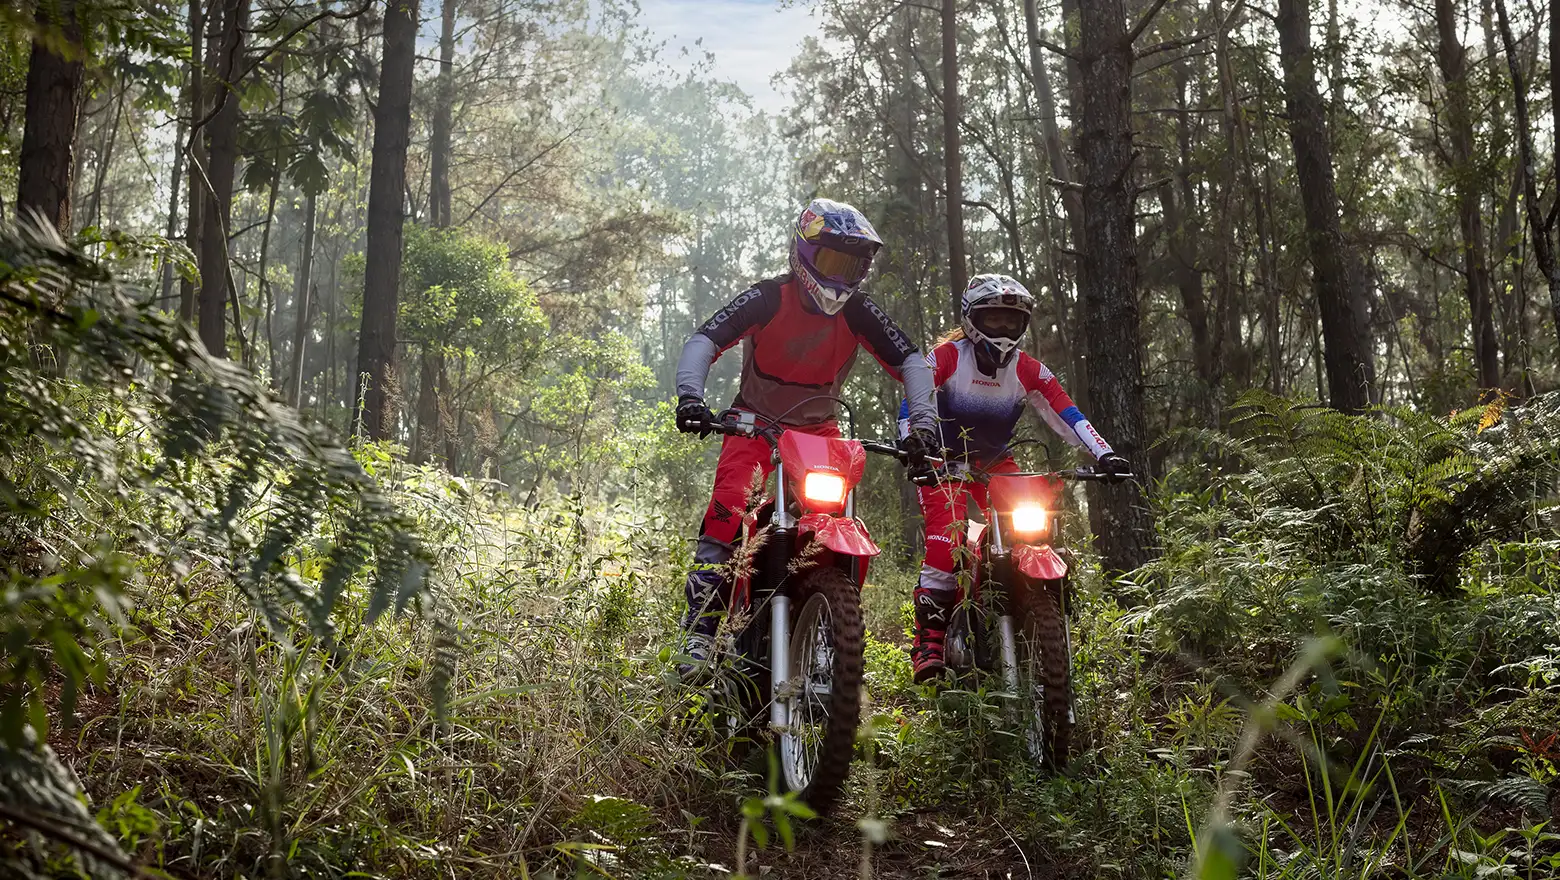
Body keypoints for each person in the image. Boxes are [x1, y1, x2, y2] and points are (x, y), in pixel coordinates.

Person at [672, 198, 940, 675]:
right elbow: (704, 340)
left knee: (834, 523)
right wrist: (691, 397)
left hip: (820, 436)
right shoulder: (769, 296)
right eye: (833, 260)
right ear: (804, 253)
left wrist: (923, 426)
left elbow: (913, 362)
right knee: (726, 517)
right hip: (753, 426)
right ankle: (698, 632)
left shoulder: (858, 311)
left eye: (853, 264)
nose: (841, 275)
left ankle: (828, 627)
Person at [902, 273, 1130, 684]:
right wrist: (914, 442)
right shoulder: (948, 358)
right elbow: (912, 402)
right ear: (972, 320)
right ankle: (929, 642)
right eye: (995, 320)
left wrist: (1105, 453)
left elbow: (1068, 414)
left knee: (1034, 527)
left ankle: (1027, 608)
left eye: (1013, 321)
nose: (1005, 330)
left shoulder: (1029, 370)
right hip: (943, 459)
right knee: (946, 544)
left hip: (996, 463)